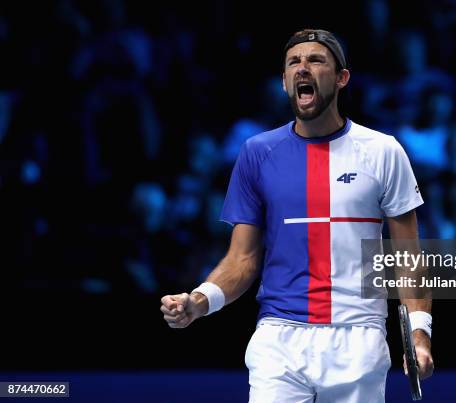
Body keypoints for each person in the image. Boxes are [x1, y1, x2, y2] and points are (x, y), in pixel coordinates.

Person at [160, 28, 434, 402]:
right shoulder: (257, 153)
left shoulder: (384, 151)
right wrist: (199, 301)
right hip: (278, 340)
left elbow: (408, 260)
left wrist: (419, 334)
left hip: (359, 340)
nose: (303, 68)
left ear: (341, 79)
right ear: (285, 81)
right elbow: (242, 260)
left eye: (316, 60)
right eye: (294, 63)